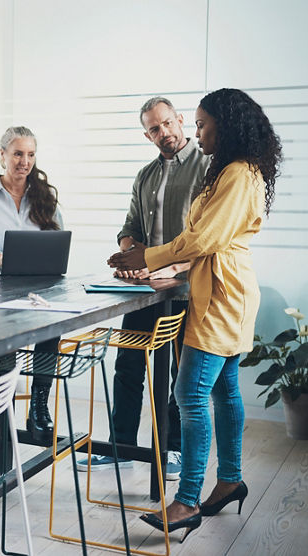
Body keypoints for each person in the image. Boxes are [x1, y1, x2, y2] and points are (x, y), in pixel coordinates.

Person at [108, 88, 282, 540]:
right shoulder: (229, 170)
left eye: (202, 124)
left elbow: (203, 239)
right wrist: (145, 257)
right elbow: (199, 236)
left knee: (188, 394)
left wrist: (147, 258)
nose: (197, 131)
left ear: (225, 124)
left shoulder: (239, 174)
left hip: (221, 294)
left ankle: (186, 501)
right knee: (224, 390)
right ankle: (229, 480)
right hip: (221, 290)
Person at [77, 97, 209, 479]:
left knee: (178, 374)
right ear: (146, 134)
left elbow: (204, 237)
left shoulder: (208, 167)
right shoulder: (145, 175)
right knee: (128, 365)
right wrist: (131, 259)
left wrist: (165, 265)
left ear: (180, 120)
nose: (163, 133)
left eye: (167, 123)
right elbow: (130, 229)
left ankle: (172, 450)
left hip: (185, 289)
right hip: (142, 291)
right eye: (154, 128)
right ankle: (120, 447)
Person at [0, 126, 62, 442]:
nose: (24, 161)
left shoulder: (44, 197)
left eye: (30, 154)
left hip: (37, 288)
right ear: (2, 155)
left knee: (51, 326)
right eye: (17, 153)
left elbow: (58, 241)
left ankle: (39, 402)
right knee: (1, 331)